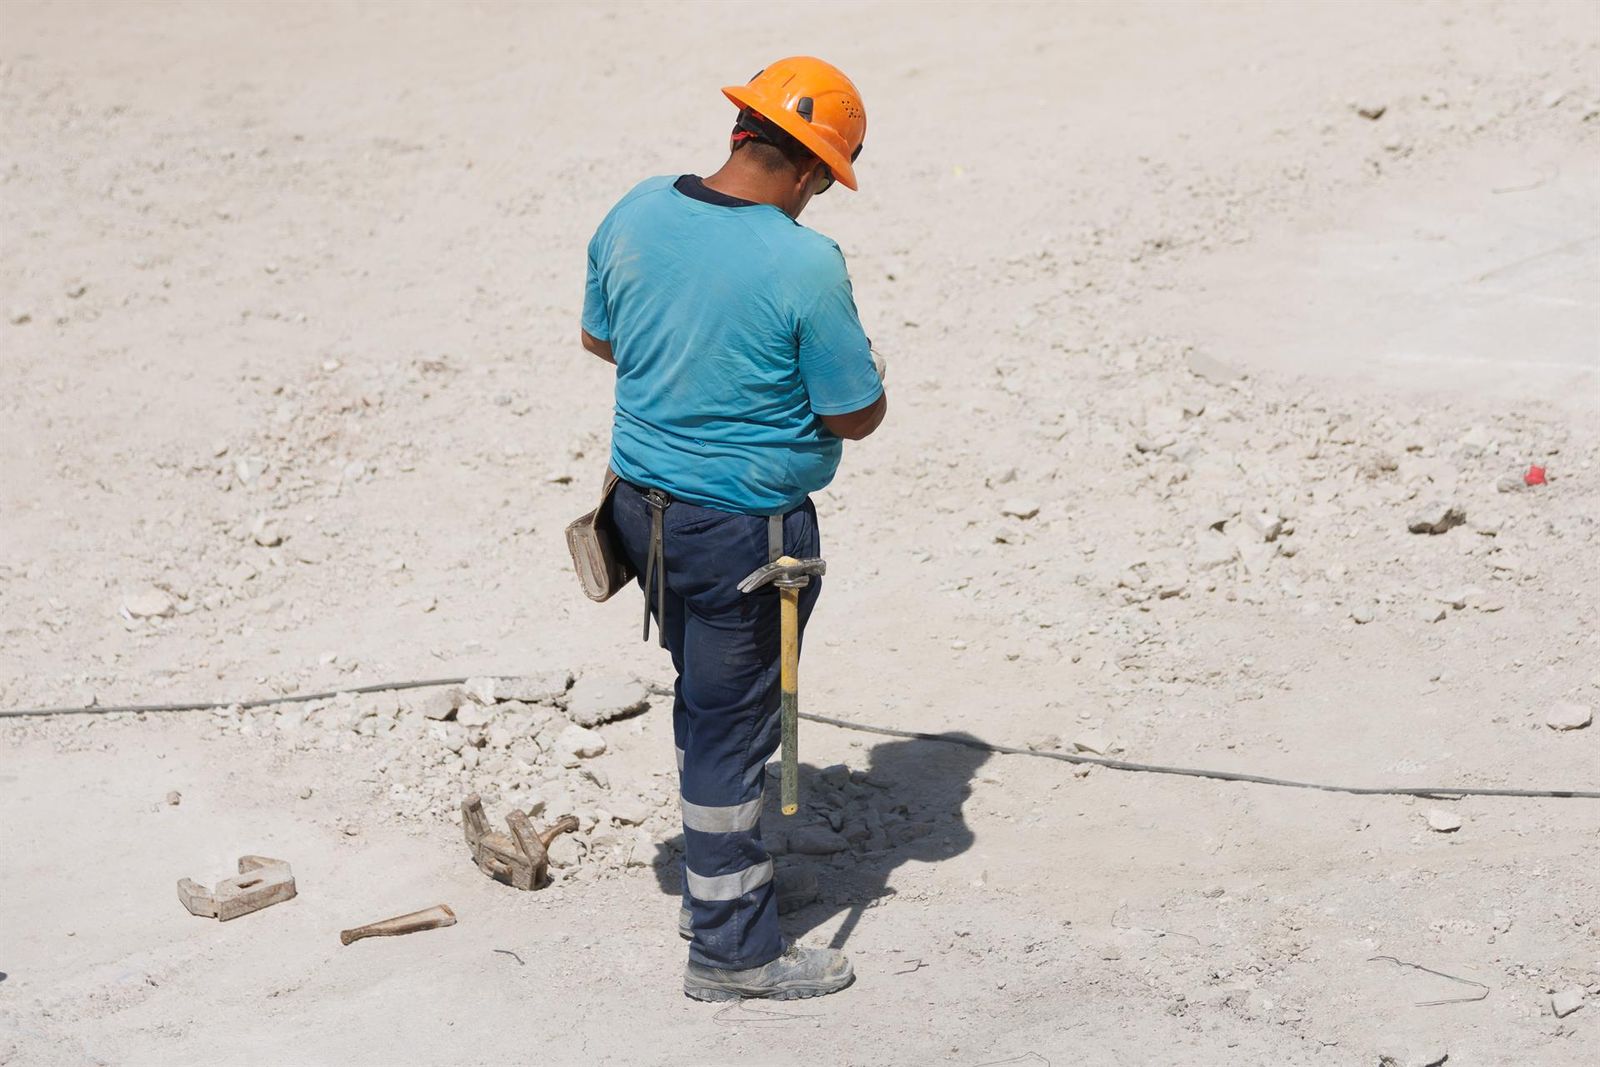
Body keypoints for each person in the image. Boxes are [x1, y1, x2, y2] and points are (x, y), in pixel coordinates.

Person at [579, 56, 885, 1002]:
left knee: (708, 702)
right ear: (806, 171)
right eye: (824, 185)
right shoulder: (803, 261)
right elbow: (855, 413)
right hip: (742, 532)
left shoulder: (635, 207)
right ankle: (732, 949)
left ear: (741, 134)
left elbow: (602, 338)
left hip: (640, 512)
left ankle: (717, 887)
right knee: (733, 723)